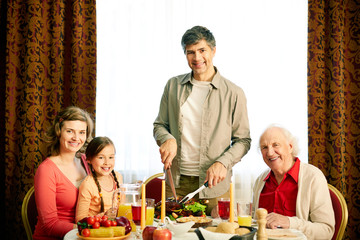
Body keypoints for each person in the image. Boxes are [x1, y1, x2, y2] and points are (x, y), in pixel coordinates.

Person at [153, 25, 251, 215]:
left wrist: (223, 163)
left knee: (215, 235)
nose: (197, 58)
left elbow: (243, 140)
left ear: (213, 51)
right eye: (190, 52)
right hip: (177, 183)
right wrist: (167, 139)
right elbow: (159, 125)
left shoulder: (234, 93)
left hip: (214, 186)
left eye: (202, 50)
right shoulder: (172, 86)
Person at [252, 125, 335, 240]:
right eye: (264, 147)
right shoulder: (260, 181)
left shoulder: (313, 177)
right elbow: (254, 224)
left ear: (290, 147)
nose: (270, 153)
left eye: (276, 145)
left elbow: (326, 231)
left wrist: (290, 222)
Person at [33, 106, 94, 240]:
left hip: (84, 236)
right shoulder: (46, 170)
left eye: (82, 132)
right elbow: (49, 225)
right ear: (59, 131)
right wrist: (88, 228)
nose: (76, 138)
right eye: (70, 131)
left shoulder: (86, 161)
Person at [75, 136, 123, 222]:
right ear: (89, 159)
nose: (107, 162)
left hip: (115, 228)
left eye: (111, 157)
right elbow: (80, 220)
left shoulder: (118, 177)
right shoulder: (88, 185)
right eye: (101, 157)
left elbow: (123, 205)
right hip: (97, 230)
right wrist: (103, 216)